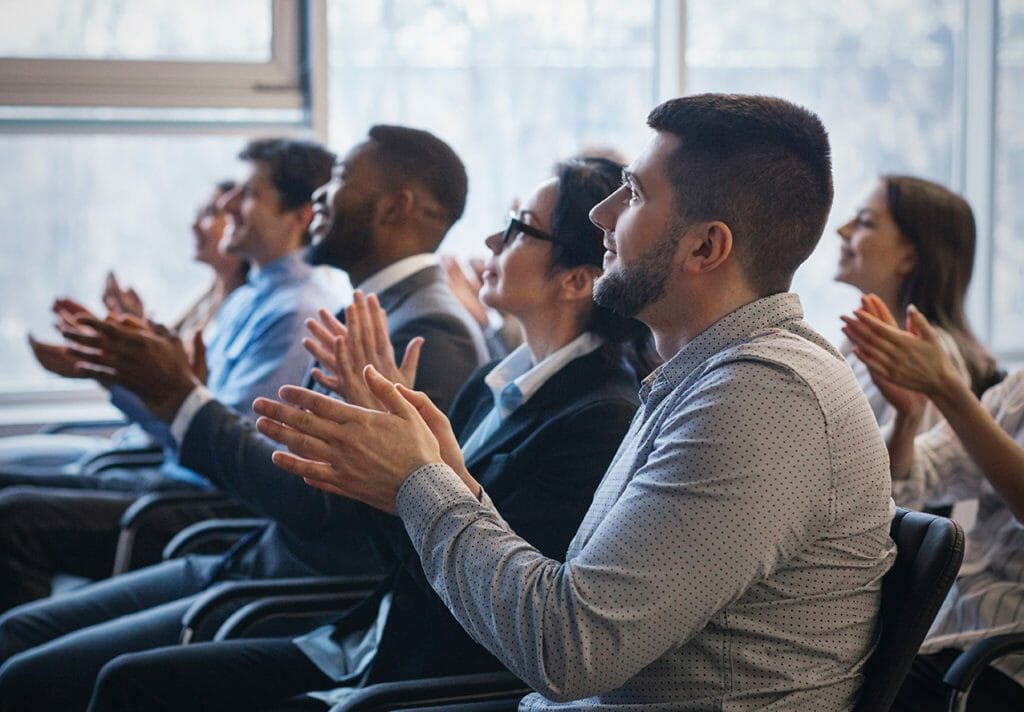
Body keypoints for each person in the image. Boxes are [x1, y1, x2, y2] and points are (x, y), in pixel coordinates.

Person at [252, 94, 896, 710]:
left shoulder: (764, 398)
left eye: (635, 194)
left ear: (706, 247)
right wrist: (448, 483)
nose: (602, 215)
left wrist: (421, 486)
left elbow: (569, 650)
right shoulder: (710, 376)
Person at [84, 157, 646, 712]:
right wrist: (384, 456)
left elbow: (488, 601)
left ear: (577, 279)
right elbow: (406, 554)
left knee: (129, 683)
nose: (494, 239)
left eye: (521, 227)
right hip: (361, 644)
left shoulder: (599, 418)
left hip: (416, 677)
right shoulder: (494, 381)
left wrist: (394, 465)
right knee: (127, 679)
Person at [0, 125, 489, 712]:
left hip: (295, 594)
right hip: (249, 556)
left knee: (26, 670)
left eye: (340, 180)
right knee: (17, 640)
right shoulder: (377, 308)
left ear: (393, 207)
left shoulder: (428, 331)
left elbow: (318, 505)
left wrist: (179, 394)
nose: (322, 199)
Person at [0, 141, 346, 612]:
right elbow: (189, 417)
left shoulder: (298, 313)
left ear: (301, 216)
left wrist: (131, 374)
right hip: (173, 479)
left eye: (246, 195)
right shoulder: (250, 297)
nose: (226, 205)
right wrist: (118, 368)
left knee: (13, 518)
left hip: (202, 506)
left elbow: (227, 453)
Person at [841, 294, 1024, 711]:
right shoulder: (1018, 391)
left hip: (1005, 662)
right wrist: (907, 415)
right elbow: (914, 478)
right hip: (944, 631)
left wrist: (948, 390)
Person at [0, 179, 247, 480]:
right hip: (135, 447)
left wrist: (104, 365)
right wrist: (121, 333)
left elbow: (180, 408)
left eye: (211, 213)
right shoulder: (202, 300)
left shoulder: (239, 315)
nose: (194, 225)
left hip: (158, 462)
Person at [835, 175, 998, 429]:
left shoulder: (928, 360)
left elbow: (914, 468)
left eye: (865, 222)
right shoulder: (859, 343)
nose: (842, 230)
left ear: (909, 258)